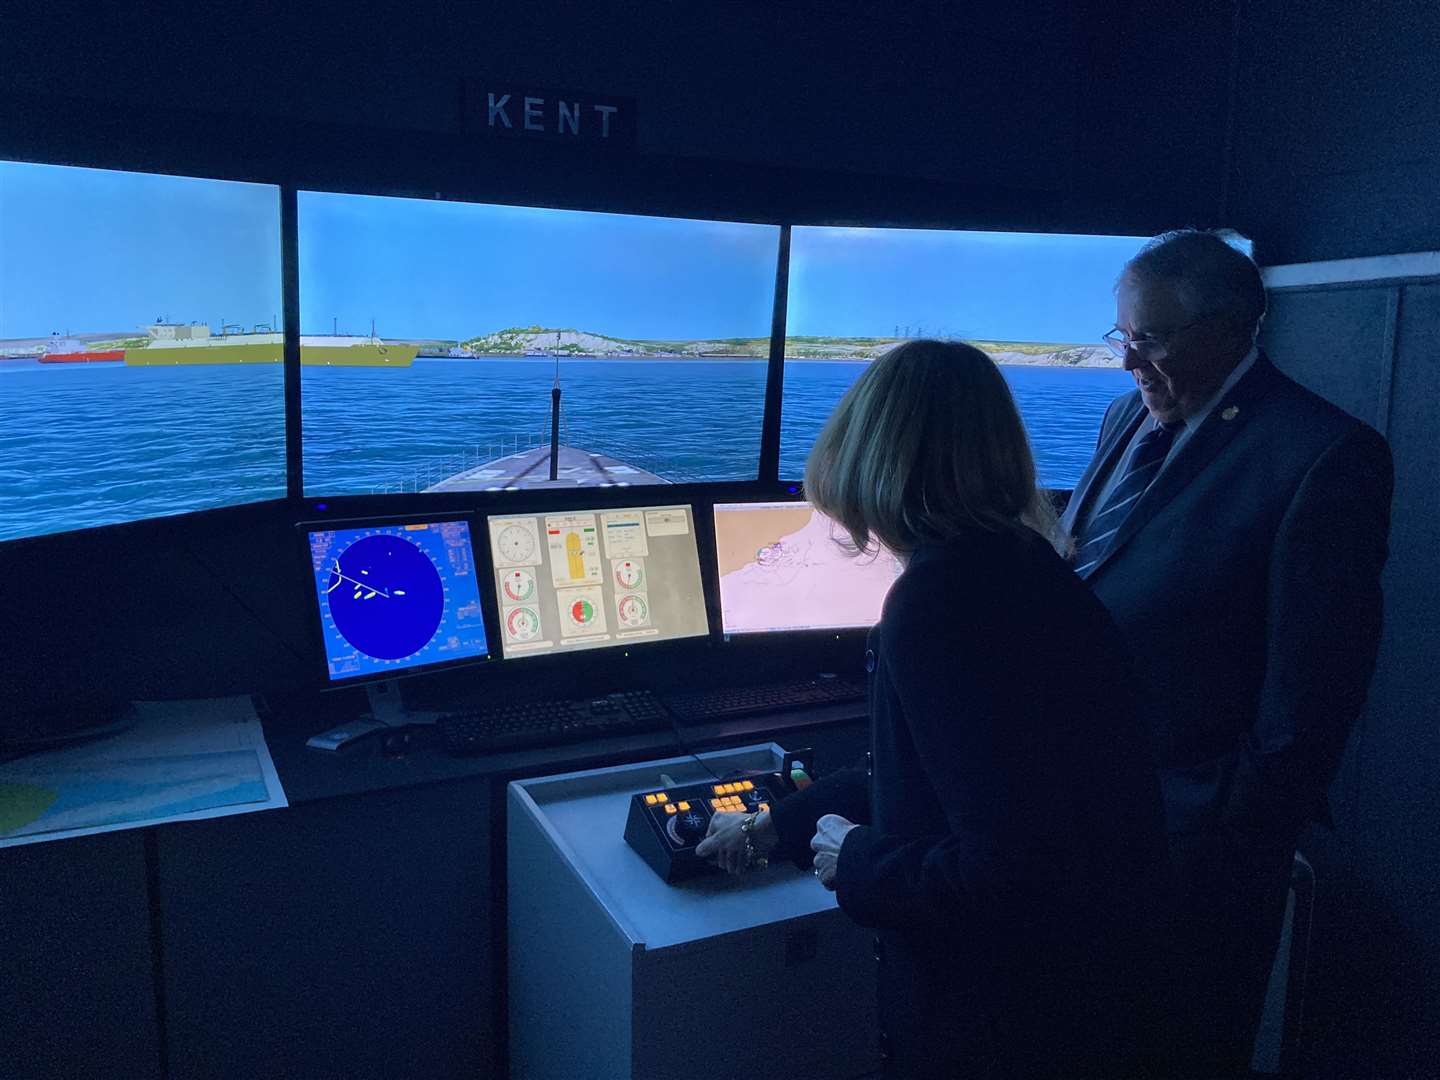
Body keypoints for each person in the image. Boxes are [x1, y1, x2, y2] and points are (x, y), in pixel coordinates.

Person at [697, 340, 1170, 1079]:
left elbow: (1010, 870)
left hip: (997, 1012)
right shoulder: (1021, 562)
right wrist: (773, 826)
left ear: (866, 451)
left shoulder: (937, 603)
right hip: (1092, 986)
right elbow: (934, 773)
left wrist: (857, 860)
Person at [1061, 229, 1394, 1075]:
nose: (1131, 362)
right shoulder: (1124, 414)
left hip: (1195, 854)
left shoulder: (1323, 455)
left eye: (1156, 339)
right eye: (1123, 337)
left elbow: (1311, 701)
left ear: (1241, 325)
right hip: (1084, 819)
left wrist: (1221, 842)